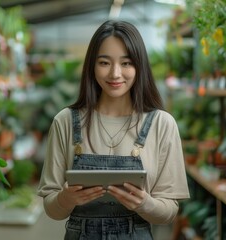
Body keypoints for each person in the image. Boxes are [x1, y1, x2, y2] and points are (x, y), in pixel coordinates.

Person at [37, 20, 190, 239]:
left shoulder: (162, 124)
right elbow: (51, 208)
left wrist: (145, 204)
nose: (115, 74)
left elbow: (169, 212)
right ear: (92, 65)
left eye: (126, 63)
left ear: (140, 66)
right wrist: (65, 199)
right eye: (104, 62)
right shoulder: (65, 122)